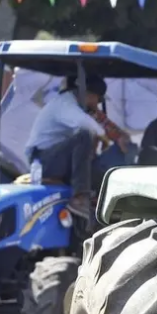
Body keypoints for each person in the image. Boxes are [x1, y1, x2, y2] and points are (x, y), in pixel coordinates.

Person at [24, 75, 131, 217]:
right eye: (97, 100)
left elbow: (103, 129)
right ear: (89, 95)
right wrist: (104, 139)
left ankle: (110, 203)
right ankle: (80, 198)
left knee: (109, 165)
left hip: (59, 159)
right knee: (84, 136)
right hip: (43, 161)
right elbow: (89, 127)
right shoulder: (64, 103)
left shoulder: (79, 108)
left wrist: (119, 141)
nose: (96, 105)